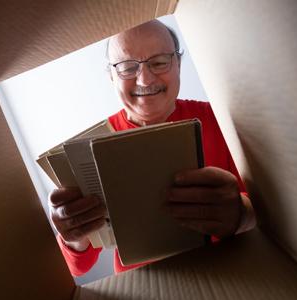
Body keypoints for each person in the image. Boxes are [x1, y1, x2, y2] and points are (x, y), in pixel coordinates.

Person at [49, 20, 256, 276]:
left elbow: (274, 213)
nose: (145, 79)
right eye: (126, 67)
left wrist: (242, 213)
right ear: (111, 75)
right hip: (142, 285)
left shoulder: (224, 119)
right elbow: (78, 267)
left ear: (178, 64)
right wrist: (71, 233)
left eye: (159, 63)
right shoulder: (89, 147)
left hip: (231, 270)